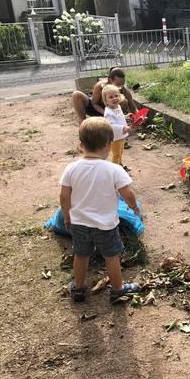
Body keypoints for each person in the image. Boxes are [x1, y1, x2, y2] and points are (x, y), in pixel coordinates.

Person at [59, 117, 141, 303]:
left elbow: (64, 197)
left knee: (81, 255)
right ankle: (118, 290)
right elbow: (127, 194)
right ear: (109, 145)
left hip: (79, 223)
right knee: (111, 257)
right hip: (106, 225)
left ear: (81, 146)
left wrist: (67, 216)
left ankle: (78, 289)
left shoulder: (71, 168)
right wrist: (134, 207)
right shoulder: (114, 169)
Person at [72, 67, 138, 125]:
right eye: (118, 84)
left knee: (124, 101)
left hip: (112, 114)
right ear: (110, 80)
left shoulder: (123, 90)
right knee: (76, 94)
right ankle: (83, 124)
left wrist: (140, 116)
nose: (120, 87)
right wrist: (106, 113)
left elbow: (133, 107)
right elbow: (94, 103)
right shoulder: (100, 86)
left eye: (122, 84)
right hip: (96, 110)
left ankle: (117, 122)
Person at [102, 84, 131, 167]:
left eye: (116, 96)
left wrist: (126, 116)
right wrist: (123, 128)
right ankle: (115, 169)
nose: (114, 98)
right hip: (115, 137)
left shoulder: (117, 107)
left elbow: (119, 118)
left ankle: (119, 164)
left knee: (120, 151)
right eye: (111, 97)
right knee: (116, 154)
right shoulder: (108, 113)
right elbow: (111, 125)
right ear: (106, 100)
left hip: (120, 135)